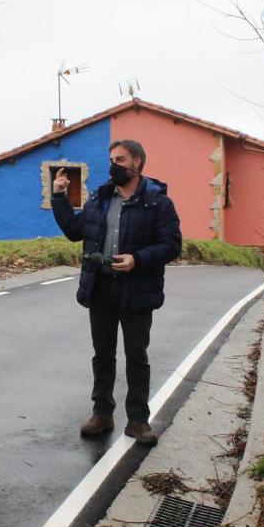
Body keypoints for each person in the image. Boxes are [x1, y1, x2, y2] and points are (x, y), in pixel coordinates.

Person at [51, 139, 182, 446]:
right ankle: (102, 414)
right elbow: (74, 230)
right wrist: (59, 195)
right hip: (101, 286)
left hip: (136, 289)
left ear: (137, 162)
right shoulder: (100, 198)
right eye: (112, 159)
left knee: (137, 356)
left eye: (120, 159)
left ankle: (137, 420)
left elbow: (172, 245)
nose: (114, 165)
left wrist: (137, 259)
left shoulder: (157, 202)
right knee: (103, 354)